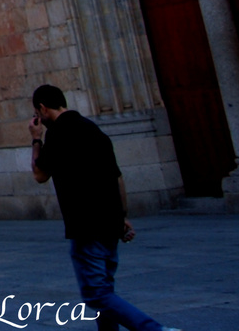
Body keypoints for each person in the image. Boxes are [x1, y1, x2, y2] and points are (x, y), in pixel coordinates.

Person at [29, 85, 181, 331]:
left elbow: (39, 174)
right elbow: (117, 178)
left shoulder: (58, 133)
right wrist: (122, 216)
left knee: (97, 294)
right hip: (110, 223)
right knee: (105, 291)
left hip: (86, 225)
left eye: (38, 112)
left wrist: (36, 138)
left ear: (42, 109)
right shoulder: (94, 130)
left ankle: (155, 330)